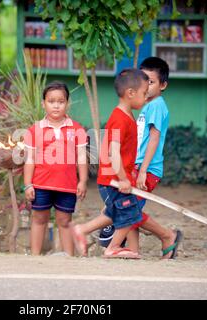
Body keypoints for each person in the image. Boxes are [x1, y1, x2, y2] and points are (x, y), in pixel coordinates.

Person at [72, 58, 182, 259]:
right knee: (127, 209)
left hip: (143, 169)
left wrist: (139, 170)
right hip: (130, 169)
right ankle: (147, 243)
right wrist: (126, 174)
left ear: (163, 85)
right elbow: (114, 150)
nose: (146, 89)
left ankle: (151, 241)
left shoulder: (153, 106)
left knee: (127, 209)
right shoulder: (127, 115)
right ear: (131, 92)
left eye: (150, 82)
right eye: (143, 84)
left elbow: (153, 139)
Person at [24, 81, 88, 256]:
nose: (56, 105)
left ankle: (68, 258)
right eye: (51, 101)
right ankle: (35, 257)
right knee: (39, 218)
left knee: (64, 220)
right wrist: (28, 184)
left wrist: (82, 181)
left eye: (61, 101)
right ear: (44, 103)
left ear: (67, 103)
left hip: (67, 185)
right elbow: (29, 159)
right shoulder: (34, 130)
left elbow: (82, 156)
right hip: (41, 184)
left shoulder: (77, 129)